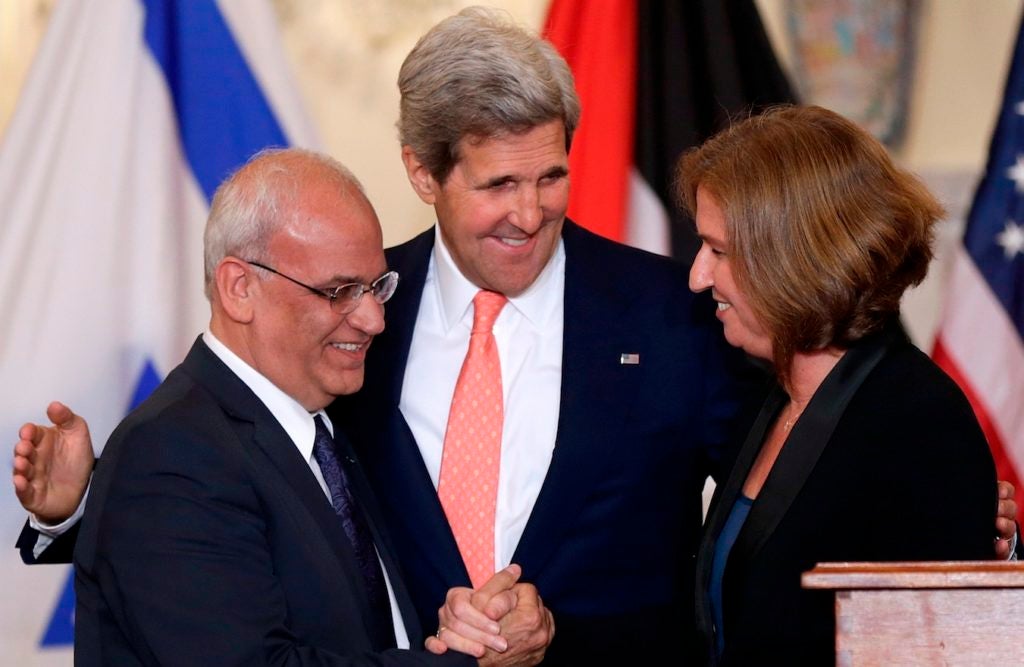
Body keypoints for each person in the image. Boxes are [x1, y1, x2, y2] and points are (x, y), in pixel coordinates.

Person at [11, 8, 1019, 664]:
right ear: (423, 171)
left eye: (550, 177)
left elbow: (802, 486)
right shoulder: (360, 313)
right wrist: (87, 505)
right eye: (496, 183)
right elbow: (255, 482)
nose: (527, 213)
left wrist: (964, 533)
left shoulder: (672, 311)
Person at [66, 148, 552, 665]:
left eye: (375, 288)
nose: (373, 320)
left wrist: (473, 626)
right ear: (239, 288)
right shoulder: (171, 455)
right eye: (339, 291)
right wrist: (470, 662)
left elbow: (351, 626)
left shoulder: (327, 428)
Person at [677, 105, 999, 665]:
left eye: (719, 251)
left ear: (792, 260)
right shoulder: (765, 394)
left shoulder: (917, 420)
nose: (697, 276)